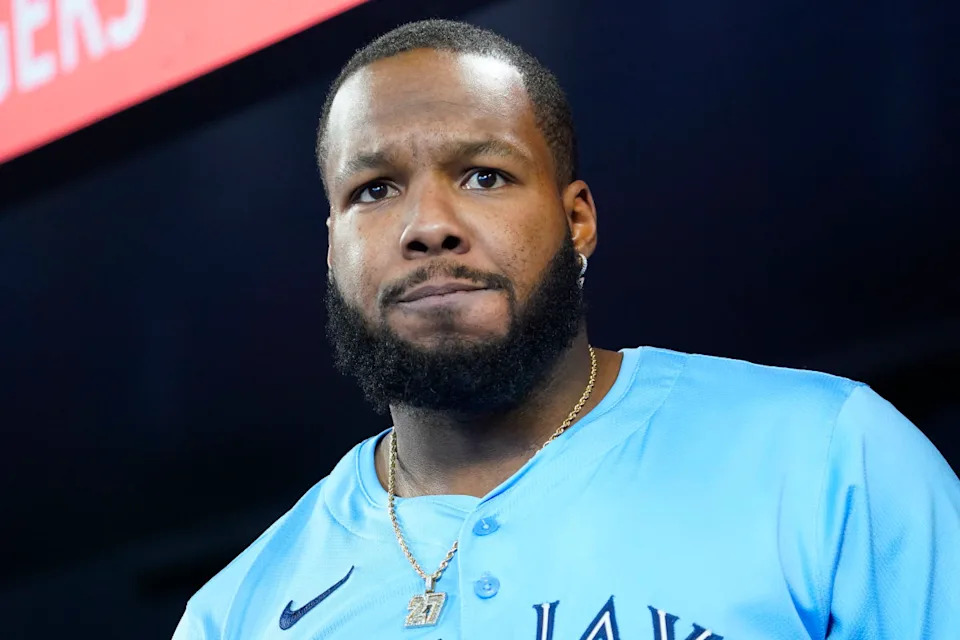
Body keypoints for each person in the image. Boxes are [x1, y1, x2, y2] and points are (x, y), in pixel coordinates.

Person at [173, 19, 960, 639]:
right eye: (375, 189)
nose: (428, 226)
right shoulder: (234, 612)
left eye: (484, 175)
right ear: (332, 249)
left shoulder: (828, 457)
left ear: (577, 219)